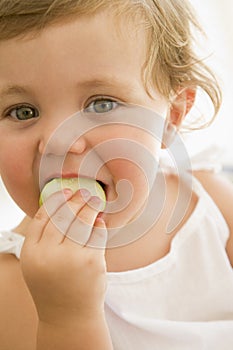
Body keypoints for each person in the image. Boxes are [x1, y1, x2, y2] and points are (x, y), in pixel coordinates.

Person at [0, 1, 233, 349]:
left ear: (172, 116)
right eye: (23, 111)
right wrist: (65, 315)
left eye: (101, 104)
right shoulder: (13, 280)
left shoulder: (209, 201)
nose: (58, 143)